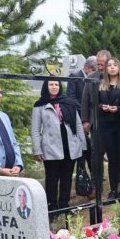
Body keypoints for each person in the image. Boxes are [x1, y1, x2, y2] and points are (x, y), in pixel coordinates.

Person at [31, 79, 87, 211]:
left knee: (67, 176)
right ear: (46, 86)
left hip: (70, 144)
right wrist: (37, 149)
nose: (54, 87)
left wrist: (83, 145)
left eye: (57, 84)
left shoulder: (68, 103)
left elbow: (78, 124)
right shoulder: (40, 105)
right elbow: (35, 129)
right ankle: (52, 205)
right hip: (50, 146)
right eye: (51, 84)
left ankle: (64, 204)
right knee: (52, 177)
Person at [97, 58, 120, 199]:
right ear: (106, 69)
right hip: (107, 125)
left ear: (119, 67)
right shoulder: (101, 85)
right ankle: (113, 189)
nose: (112, 67)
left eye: (114, 65)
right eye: (109, 65)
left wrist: (117, 109)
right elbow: (96, 104)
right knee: (112, 158)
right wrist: (102, 107)